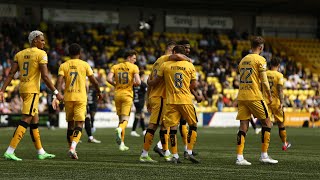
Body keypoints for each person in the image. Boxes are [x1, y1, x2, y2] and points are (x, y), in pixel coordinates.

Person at [0, 30, 63, 161]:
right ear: (34, 40)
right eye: (42, 40)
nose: (44, 42)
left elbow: (11, 74)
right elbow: (45, 76)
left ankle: (41, 151)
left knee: (35, 120)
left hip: (23, 89)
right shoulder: (41, 54)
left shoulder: (20, 54)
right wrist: (56, 92)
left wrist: (2, 90)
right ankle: (10, 150)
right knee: (26, 119)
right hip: (32, 90)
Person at [148, 45, 200, 164]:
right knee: (193, 125)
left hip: (171, 100)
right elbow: (195, 85)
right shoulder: (190, 65)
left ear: (174, 52)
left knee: (172, 128)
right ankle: (189, 151)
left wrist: (149, 82)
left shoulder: (165, 65)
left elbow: (156, 81)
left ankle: (175, 155)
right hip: (185, 99)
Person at [53, 43, 102, 159]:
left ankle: (71, 150)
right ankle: (73, 148)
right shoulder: (85, 65)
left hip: (68, 97)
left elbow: (59, 81)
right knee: (79, 123)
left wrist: (57, 94)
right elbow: (94, 81)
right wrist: (99, 92)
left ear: (69, 53)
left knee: (70, 125)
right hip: (80, 98)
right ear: (80, 53)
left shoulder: (63, 65)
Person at [236, 36, 278, 165]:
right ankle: (264, 155)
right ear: (261, 47)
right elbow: (264, 80)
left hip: (242, 96)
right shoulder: (260, 59)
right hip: (254, 95)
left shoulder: (243, 60)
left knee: (243, 126)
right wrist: (269, 95)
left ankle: (239, 157)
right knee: (267, 122)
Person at [107, 49, 141, 151]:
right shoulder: (134, 67)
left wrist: (116, 85)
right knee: (125, 119)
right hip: (127, 95)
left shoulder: (115, 66)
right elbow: (138, 82)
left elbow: (108, 79)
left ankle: (121, 144)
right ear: (129, 57)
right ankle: (120, 129)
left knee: (120, 120)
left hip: (117, 95)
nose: (135, 60)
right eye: (134, 58)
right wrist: (132, 84)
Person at [177, 40, 202, 158]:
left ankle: (186, 149)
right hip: (181, 97)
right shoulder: (187, 64)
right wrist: (196, 95)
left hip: (177, 96)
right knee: (184, 123)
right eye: (186, 48)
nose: (188, 50)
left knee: (180, 123)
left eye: (189, 48)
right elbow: (191, 84)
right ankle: (187, 150)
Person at [265, 57, 291, 150]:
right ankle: (284, 144)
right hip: (276, 102)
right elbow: (280, 89)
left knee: (266, 124)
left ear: (270, 64)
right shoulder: (279, 75)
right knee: (280, 123)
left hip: (266, 101)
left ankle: (265, 149)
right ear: (279, 65)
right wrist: (282, 102)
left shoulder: (265, 73)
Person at [131, 71, 147, 137]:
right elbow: (147, 93)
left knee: (142, 115)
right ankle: (133, 130)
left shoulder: (134, 84)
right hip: (140, 101)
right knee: (138, 115)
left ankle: (144, 130)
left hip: (135, 101)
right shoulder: (143, 84)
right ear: (142, 76)